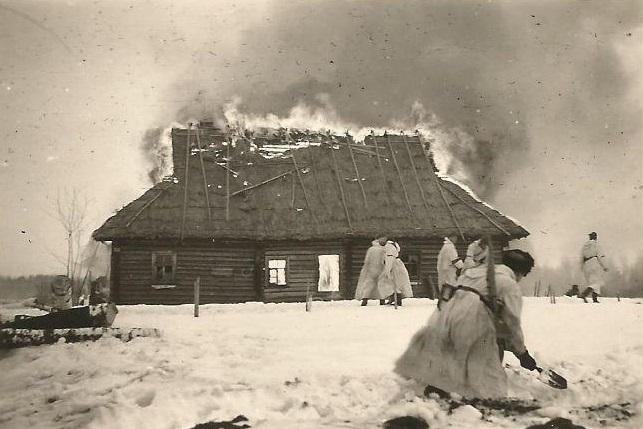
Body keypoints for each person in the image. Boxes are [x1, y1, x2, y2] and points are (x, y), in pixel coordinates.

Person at [394, 249, 537, 399]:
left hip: (444, 314)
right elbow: (512, 323)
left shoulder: (475, 273)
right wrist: (522, 354)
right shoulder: (509, 285)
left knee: (451, 351)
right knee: (485, 367)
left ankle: (438, 388)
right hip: (471, 319)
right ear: (520, 272)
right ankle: (481, 398)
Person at [354, 235, 392, 306]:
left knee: (372, 284)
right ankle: (378, 300)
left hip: (375, 269)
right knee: (378, 284)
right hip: (377, 269)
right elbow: (384, 260)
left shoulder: (373, 249)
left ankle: (369, 299)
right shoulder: (380, 249)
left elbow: (367, 260)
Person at [380, 240, 414, 306]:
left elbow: (389, 260)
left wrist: (387, 271)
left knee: (393, 284)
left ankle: (397, 300)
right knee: (396, 284)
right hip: (398, 266)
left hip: (394, 267)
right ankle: (394, 299)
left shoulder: (389, 248)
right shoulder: (393, 247)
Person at [579, 232, 608, 303]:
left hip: (586, 264)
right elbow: (600, 256)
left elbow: (581, 257)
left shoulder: (585, 245)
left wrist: (582, 266)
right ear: (595, 237)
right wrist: (604, 266)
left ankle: (595, 299)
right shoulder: (596, 244)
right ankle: (584, 294)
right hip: (594, 263)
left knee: (592, 282)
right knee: (597, 282)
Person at [437, 234, 464, 300]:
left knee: (446, 285)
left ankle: (445, 298)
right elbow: (454, 259)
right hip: (449, 270)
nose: (456, 240)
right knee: (451, 284)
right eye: (455, 238)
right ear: (451, 237)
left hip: (444, 269)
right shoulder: (450, 247)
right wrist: (462, 267)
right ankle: (448, 299)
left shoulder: (445, 246)